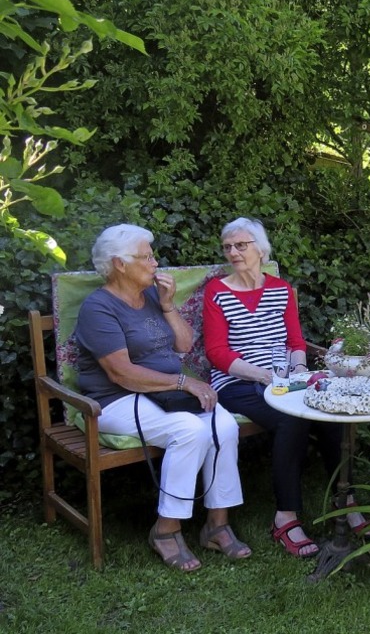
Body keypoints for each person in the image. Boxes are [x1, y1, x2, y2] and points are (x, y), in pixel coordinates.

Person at [74, 224, 250, 572]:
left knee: (224, 424)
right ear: (119, 264)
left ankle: (217, 524)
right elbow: (121, 373)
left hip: (164, 393)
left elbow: (184, 345)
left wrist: (169, 306)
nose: (155, 263)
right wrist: (183, 382)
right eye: (147, 256)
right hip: (114, 400)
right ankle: (166, 530)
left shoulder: (152, 298)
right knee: (189, 429)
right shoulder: (98, 308)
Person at [203, 217, 345, 558]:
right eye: (228, 247)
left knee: (330, 411)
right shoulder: (217, 291)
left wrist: (297, 369)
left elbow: (296, 341)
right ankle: (285, 517)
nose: (233, 252)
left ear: (260, 249)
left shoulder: (280, 289)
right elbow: (217, 353)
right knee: (291, 419)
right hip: (236, 381)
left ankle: (346, 500)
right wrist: (264, 376)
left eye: (241, 245)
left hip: (283, 377)